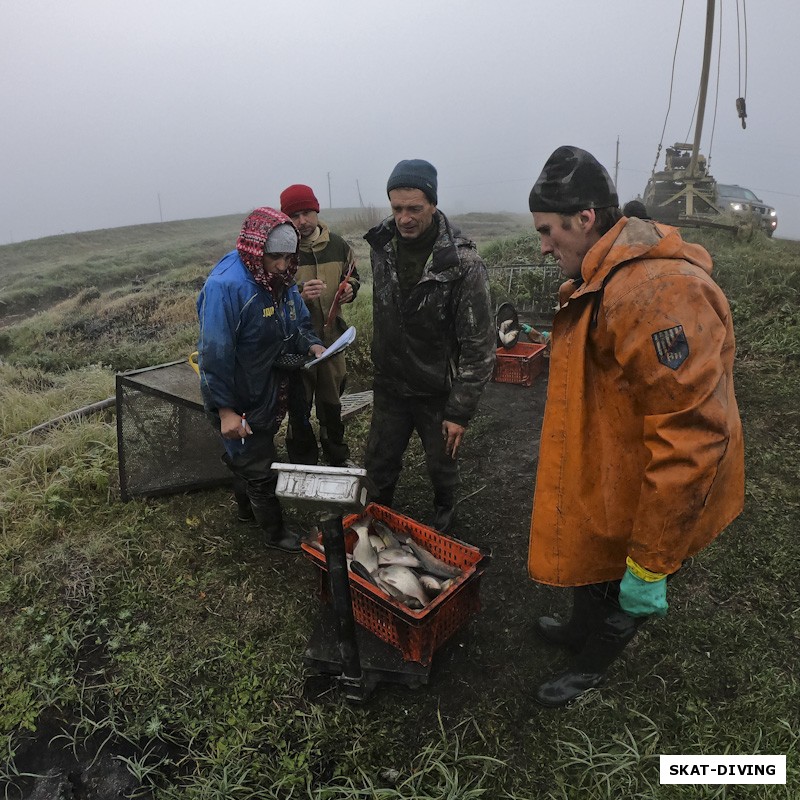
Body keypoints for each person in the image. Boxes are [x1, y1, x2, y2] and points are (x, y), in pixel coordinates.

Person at [526, 146, 744, 707]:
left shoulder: (655, 293)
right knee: (598, 534)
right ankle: (580, 629)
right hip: (621, 460)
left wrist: (651, 562)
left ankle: (592, 668)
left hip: (660, 477)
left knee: (632, 570)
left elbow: (691, 433)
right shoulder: (605, 276)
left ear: (586, 219)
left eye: (549, 231)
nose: (544, 244)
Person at [363, 159, 495, 534]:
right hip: (390, 383)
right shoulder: (381, 245)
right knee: (378, 463)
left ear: (433, 205)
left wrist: (460, 410)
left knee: (442, 464)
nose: (404, 218)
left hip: (437, 388)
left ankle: (444, 514)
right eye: (396, 208)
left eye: (414, 209)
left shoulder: (462, 263)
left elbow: (479, 345)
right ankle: (373, 522)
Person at [197, 207, 325, 553]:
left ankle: (246, 511)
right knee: (258, 462)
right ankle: (275, 534)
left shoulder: (280, 278)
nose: (284, 267)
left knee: (250, 450)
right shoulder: (227, 287)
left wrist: (311, 343)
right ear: (256, 250)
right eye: (276, 258)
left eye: (289, 257)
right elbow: (214, 354)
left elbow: (296, 320)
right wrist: (225, 409)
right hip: (239, 390)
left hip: (269, 379)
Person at [279, 184, 360, 467]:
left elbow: (354, 276)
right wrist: (298, 297)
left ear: (316, 211)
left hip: (333, 341)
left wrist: (350, 289)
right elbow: (272, 294)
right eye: (294, 216)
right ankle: (303, 463)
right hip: (296, 344)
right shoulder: (282, 250)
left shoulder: (338, 245)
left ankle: (337, 457)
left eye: (306, 213)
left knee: (332, 404)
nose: (302, 221)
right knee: (299, 406)